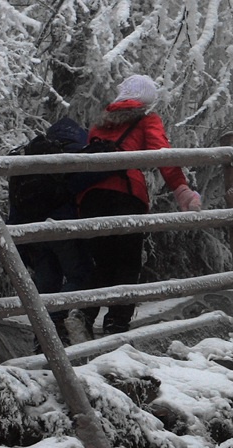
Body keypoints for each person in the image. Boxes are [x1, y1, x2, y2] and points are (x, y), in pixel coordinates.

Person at [75, 74, 202, 336]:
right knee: (127, 261)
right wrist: (181, 190)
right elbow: (162, 153)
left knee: (100, 259)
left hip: (90, 198)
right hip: (124, 194)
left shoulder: (100, 123)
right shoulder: (146, 120)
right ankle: (116, 324)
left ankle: (83, 316)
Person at [7, 117, 94, 349]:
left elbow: (14, 208)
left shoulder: (29, 160)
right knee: (81, 275)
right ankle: (67, 315)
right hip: (61, 226)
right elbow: (82, 180)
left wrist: (21, 248)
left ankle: (46, 340)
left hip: (34, 234)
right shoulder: (69, 153)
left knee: (46, 285)